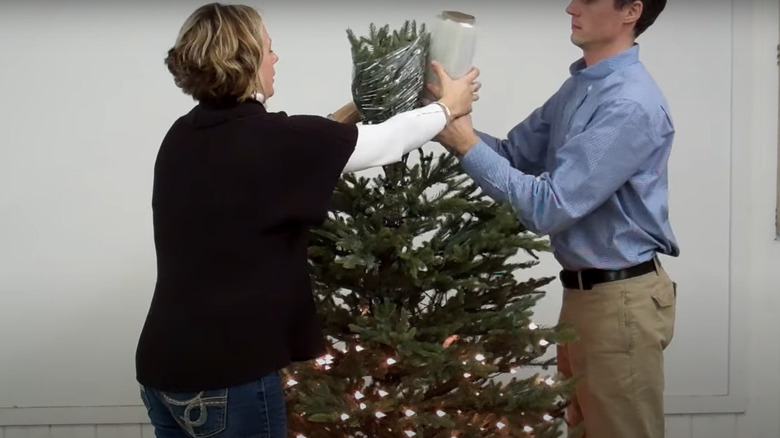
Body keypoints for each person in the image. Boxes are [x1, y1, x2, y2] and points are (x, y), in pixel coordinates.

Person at [134, 3, 480, 438]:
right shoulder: (271, 140)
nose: (275, 59)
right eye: (268, 49)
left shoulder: (185, 135)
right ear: (243, 59)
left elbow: (310, 143)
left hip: (162, 368)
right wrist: (448, 108)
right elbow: (381, 143)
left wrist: (360, 103)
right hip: (227, 375)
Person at [429, 0, 676, 437]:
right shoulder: (584, 86)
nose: (570, 6)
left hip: (620, 303)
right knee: (583, 428)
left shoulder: (630, 104)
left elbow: (549, 207)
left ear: (631, 11)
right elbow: (511, 156)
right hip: (587, 296)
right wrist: (441, 118)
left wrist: (464, 142)